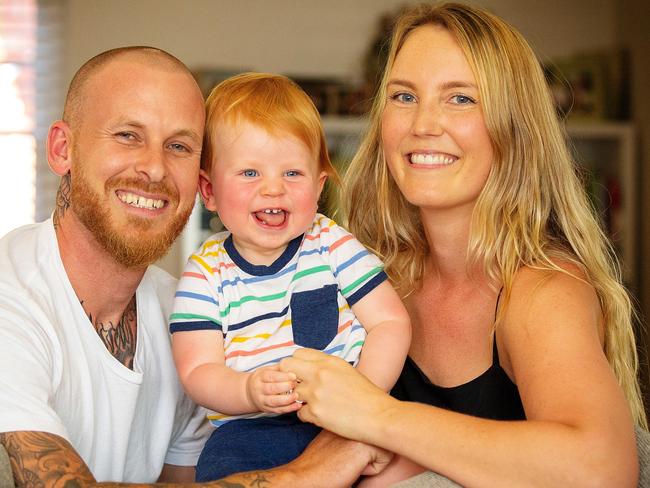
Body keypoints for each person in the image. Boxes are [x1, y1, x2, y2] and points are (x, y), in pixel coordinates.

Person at [280, 3, 647, 487]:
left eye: (461, 99)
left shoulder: (540, 287)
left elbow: (602, 469)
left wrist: (376, 416)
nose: (423, 124)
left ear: (514, 130)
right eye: (404, 96)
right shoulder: (367, 270)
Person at [0, 47, 392, 487]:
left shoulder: (182, 308)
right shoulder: (10, 298)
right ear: (61, 149)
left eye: (179, 146)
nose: (153, 168)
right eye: (128, 135)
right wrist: (317, 468)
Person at [169, 72, 411, 481]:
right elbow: (198, 370)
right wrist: (246, 391)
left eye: (293, 174)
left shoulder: (332, 244)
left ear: (318, 187)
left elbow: (390, 322)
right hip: (250, 429)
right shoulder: (205, 273)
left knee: (411, 462)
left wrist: (363, 399)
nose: (273, 189)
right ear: (208, 191)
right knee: (221, 470)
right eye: (250, 173)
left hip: (345, 416)